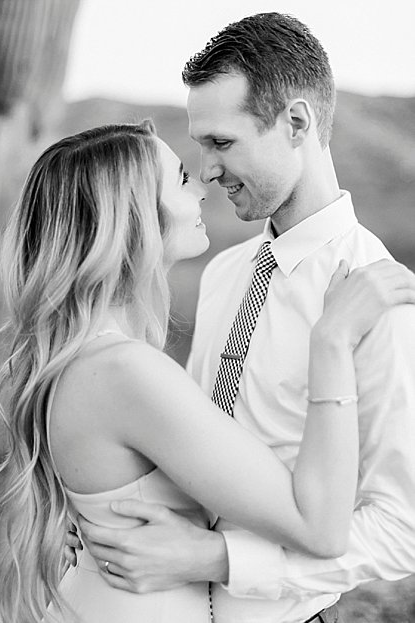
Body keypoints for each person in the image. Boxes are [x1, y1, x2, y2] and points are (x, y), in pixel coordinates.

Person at [0, 120, 415, 623]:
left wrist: (211, 557)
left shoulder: (88, 356)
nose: (204, 185)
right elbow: (319, 528)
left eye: (221, 142)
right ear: (133, 214)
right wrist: (332, 342)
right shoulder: (126, 369)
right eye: (182, 179)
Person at [75, 13, 415, 623]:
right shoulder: (224, 272)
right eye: (201, 145)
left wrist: (218, 559)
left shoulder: (379, 299)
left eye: (222, 143)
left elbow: (402, 529)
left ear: (296, 124)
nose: (207, 170)